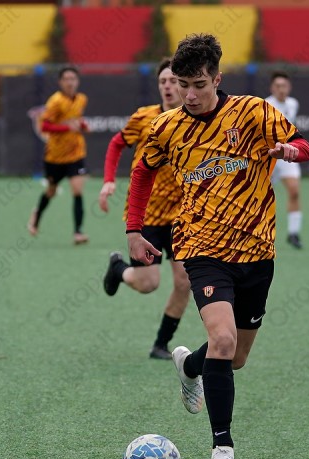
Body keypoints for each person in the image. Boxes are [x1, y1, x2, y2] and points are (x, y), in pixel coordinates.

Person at [125, 34, 309, 459]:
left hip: (257, 250)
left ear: (217, 79)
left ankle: (189, 365)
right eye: (182, 85)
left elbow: (302, 144)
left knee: (235, 356)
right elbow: (142, 172)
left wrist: (291, 151)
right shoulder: (167, 127)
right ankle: (222, 449)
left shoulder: (253, 112)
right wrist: (134, 230)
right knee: (223, 342)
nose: (189, 95)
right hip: (201, 248)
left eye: (199, 85)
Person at [99, 59, 190, 361]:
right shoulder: (145, 117)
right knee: (148, 284)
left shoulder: (195, 122)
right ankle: (118, 269)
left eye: (173, 80)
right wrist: (109, 180)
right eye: (163, 81)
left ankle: (160, 344)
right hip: (147, 213)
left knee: (185, 282)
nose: (168, 86)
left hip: (181, 216)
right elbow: (116, 144)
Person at [28, 66, 90, 245]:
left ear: (77, 81)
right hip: (55, 156)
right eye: (66, 79)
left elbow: (77, 119)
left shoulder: (81, 99)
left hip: (76, 153)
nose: (70, 82)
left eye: (73, 79)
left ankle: (78, 232)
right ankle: (36, 215)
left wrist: (83, 126)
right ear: (60, 82)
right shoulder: (55, 102)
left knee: (77, 190)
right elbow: (44, 126)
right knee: (51, 191)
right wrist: (66, 128)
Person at [265, 71, 304, 249]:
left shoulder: (293, 103)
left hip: (287, 155)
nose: (281, 89)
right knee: (261, 196)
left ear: (289, 87)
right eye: (278, 86)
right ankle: (260, 231)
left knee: (294, 191)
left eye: (284, 86)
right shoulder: (265, 105)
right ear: (272, 88)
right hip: (270, 155)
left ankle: (293, 233)